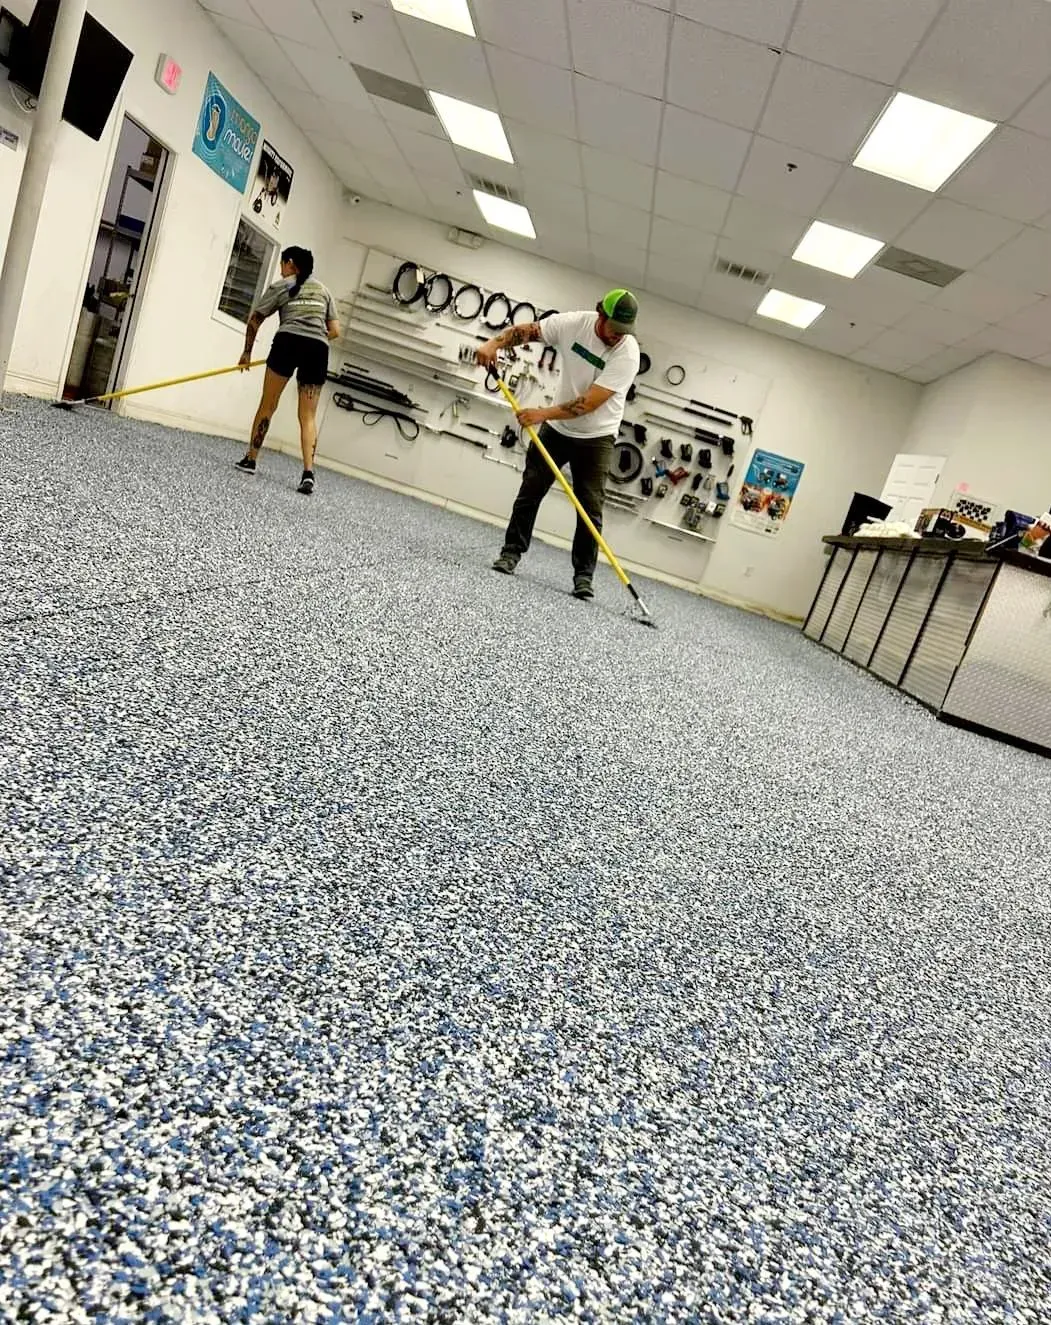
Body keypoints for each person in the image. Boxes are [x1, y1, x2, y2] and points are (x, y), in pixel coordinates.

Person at [476, 290, 640, 600]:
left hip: (597, 436)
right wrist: (493, 343)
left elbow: (589, 403)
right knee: (531, 490)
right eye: (614, 328)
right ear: (600, 316)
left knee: (590, 509)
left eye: (625, 331)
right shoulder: (573, 324)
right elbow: (530, 331)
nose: (618, 336)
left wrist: (541, 413)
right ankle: (511, 553)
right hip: (558, 428)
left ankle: (583, 576)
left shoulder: (628, 354)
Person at [234, 246, 339, 495]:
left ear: (289, 263)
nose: (281, 270)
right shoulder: (323, 291)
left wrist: (247, 353)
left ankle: (250, 459)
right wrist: (313, 337)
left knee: (268, 404)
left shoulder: (281, 286)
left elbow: (255, 320)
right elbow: (335, 331)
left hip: (288, 341)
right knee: (308, 417)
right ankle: (308, 474)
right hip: (317, 348)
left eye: (282, 265)